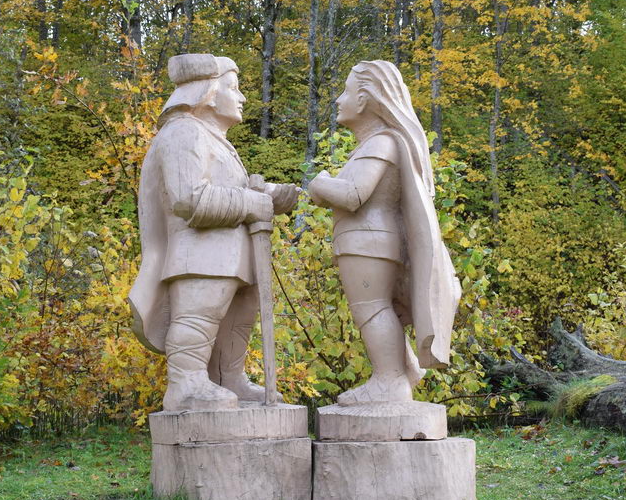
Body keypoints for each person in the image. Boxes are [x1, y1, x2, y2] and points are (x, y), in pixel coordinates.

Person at [130, 54, 298, 411]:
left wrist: (269, 195)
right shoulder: (184, 131)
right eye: (233, 88)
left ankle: (227, 377)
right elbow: (188, 199)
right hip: (200, 253)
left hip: (233, 256)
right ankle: (186, 383)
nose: (242, 97)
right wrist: (252, 202)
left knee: (236, 324)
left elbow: (232, 192)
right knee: (197, 318)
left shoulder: (216, 140)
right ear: (207, 94)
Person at [308, 59, 460, 404]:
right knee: (377, 308)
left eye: (346, 92)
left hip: (368, 242)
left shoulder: (380, 143)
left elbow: (353, 194)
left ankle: (389, 381)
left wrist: (319, 183)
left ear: (364, 99)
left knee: (372, 309)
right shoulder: (377, 143)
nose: (338, 100)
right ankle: (404, 370)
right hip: (368, 241)